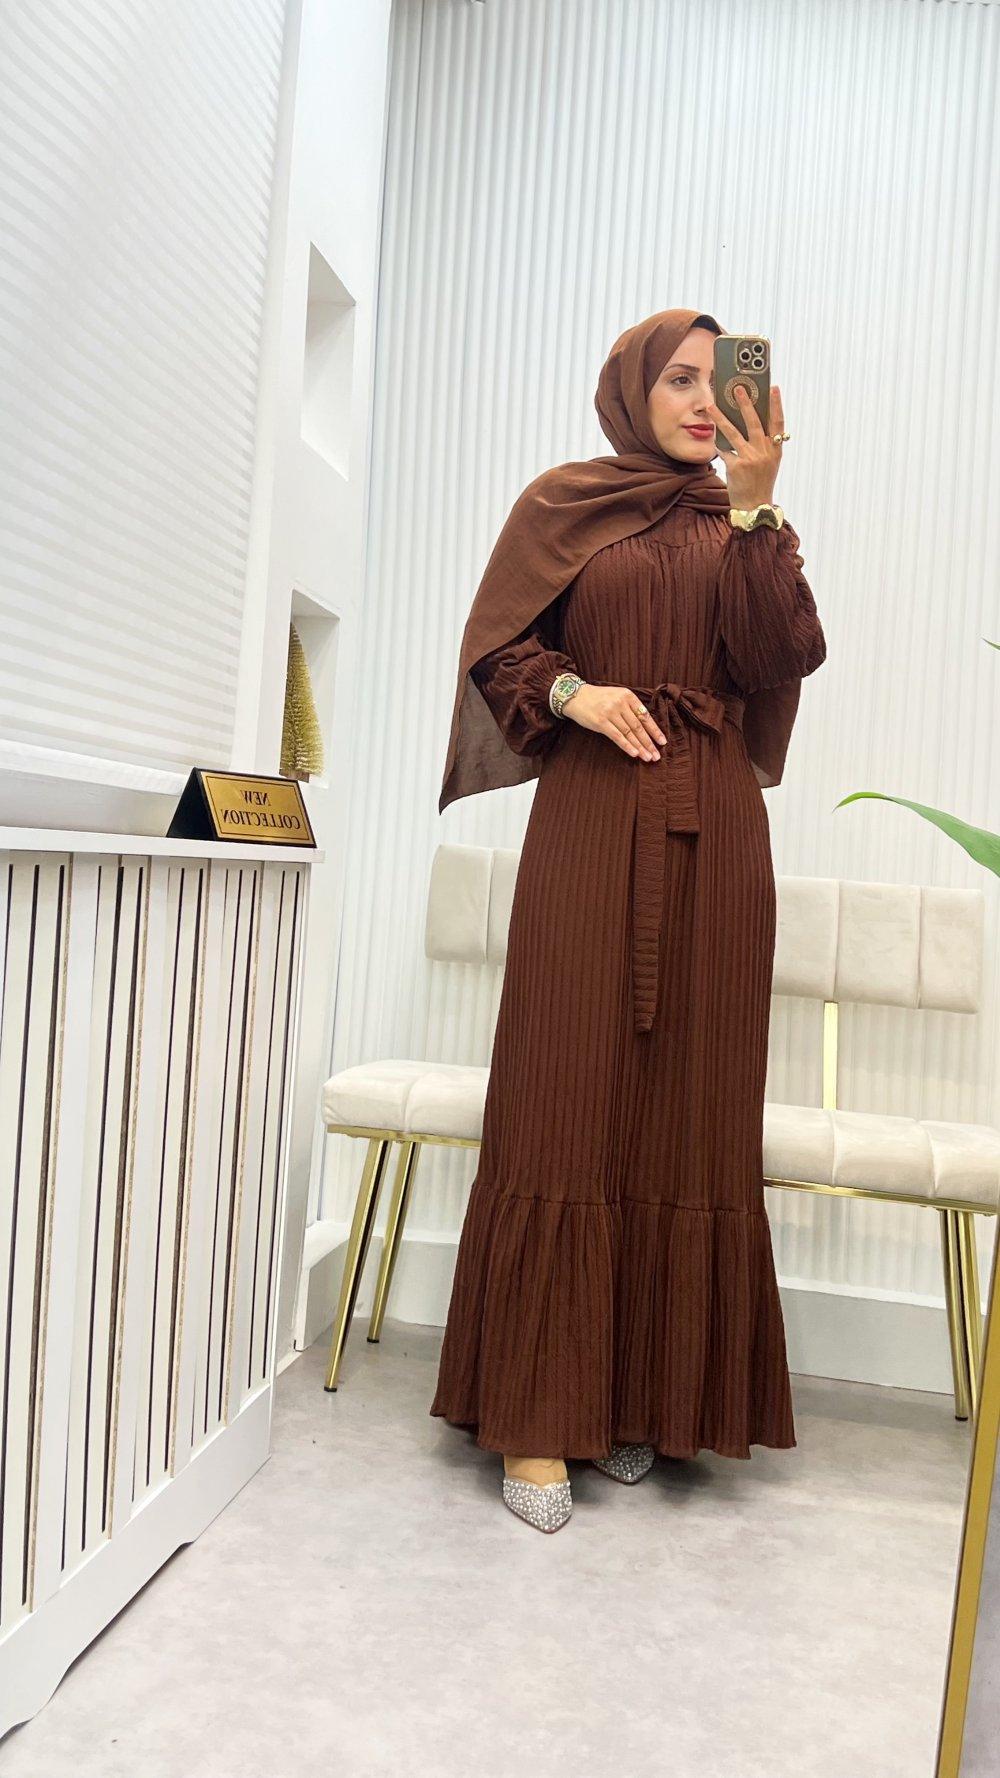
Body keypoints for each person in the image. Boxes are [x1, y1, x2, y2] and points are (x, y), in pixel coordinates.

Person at [429, 306, 827, 1532]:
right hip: (593, 820)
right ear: (632, 390)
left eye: (723, 382)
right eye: (681, 379)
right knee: (562, 1090)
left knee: (688, 1109)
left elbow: (780, 656)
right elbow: (498, 647)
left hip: (716, 838)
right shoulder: (566, 504)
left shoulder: (744, 521)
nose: (705, 401)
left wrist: (756, 507)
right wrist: (576, 692)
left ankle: (645, 1395)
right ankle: (537, 1412)